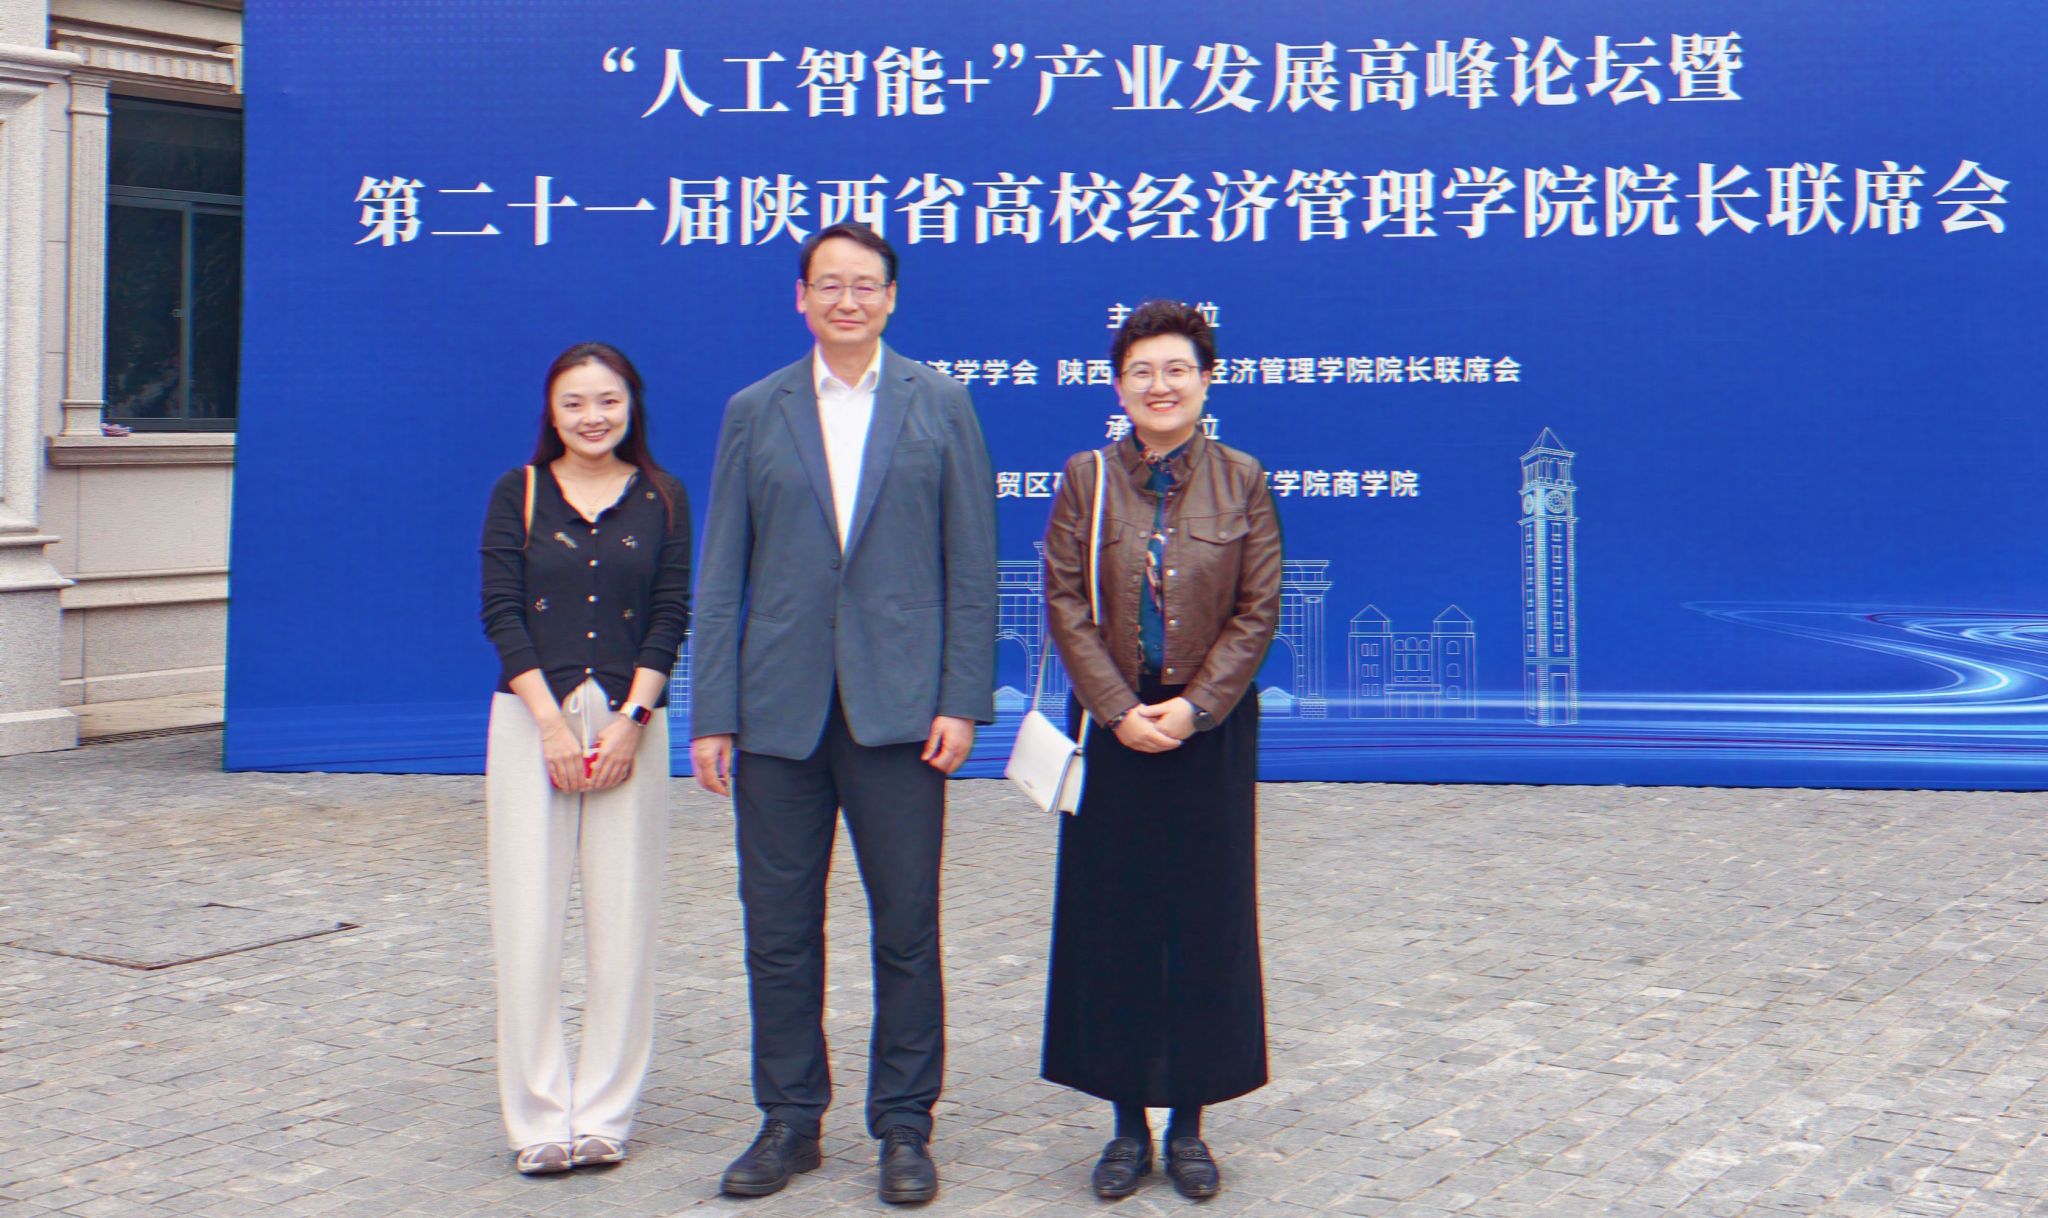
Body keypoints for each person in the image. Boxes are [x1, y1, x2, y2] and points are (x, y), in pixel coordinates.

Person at [690, 222, 998, 1204]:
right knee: (778, 929)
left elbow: (971, 566)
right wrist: (712, 711)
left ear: (891, 297)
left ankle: (904, 1125)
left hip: (900, 713)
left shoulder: (939, 404)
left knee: (905, 926)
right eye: (829, 284)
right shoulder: (756, 410)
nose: (847, 300)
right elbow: (721, 572)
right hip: (778, 713)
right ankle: (789, 1119)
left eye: (865, 285)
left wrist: (961, 699)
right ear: (801, 297)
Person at [1039, 300, 1283, 1201]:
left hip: (1206, 732)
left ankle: (1188, 1125)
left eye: (1177, 369)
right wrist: (1116, 709)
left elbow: (1257, 610)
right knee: (1114, 925)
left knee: (1204, 925)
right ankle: (1122, 1126)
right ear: (1118, 387)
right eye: (1142, 371)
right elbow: (1065, 602)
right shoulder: (1087, 478)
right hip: (1112, 730)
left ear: (1206, 380)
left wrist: (1193, 708)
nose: (1160, 385)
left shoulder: (1243, 480)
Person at [478, 342, 691, 1175]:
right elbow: (500, 611)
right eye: (574, 403)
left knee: (624, 923)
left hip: (632, 720)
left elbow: (671, 613)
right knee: (527, 922)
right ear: (552, 411)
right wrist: (551, 725)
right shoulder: (519, 492)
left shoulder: (663, 496)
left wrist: (634, 719)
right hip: (532, 718)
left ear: (631, 406)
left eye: (607, 401)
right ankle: (537, 1119)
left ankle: (604, 1113)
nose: (592, 417)